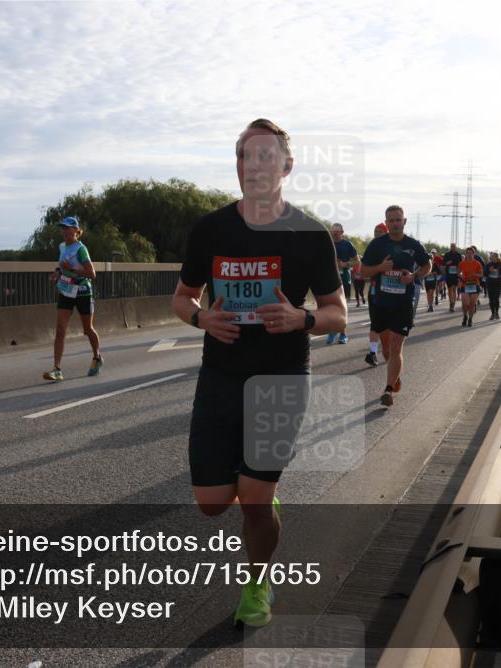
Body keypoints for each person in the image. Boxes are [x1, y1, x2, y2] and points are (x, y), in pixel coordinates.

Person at [172, 119, 347, 629]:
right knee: (210, 504)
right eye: (250, 155)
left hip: (282, 378)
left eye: (270, 156)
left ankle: (256, 584)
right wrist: (202, 317)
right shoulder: (210, 230)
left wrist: (303, 319)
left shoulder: (311, 235)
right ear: (239, 165)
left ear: (287, 167)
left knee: (253, 498)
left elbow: (337, 312)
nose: (259, 164)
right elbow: (183, 298)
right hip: (221, 375)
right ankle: (265, 502)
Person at [360, 205, 431, 407]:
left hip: (403, 302)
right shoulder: (377, 245)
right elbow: (363, 271)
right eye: (391, 221)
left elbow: (427, 266)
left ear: (404, 221)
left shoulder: (413, 245)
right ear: (386, 222)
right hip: (381, 302)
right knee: (386, 348)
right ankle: (395, 377)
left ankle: (388, 390)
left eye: (398, 220)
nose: (395, 224)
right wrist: (380, 268)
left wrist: (414, 277)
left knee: (396, 345)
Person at [43, 216, 102, 381]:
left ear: (76, 231)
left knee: (87, 329)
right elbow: (63, 265)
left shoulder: (81, 249)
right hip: (66, 291)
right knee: (60, 330)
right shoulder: (62, 247)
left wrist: (73, 270)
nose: (66, 232)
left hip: (82, 291)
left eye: (69, 228)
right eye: (63, 228)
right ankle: (57, 369)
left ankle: (97, 357)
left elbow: (92, 274)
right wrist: (58, 272)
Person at [327, 223, 359, 344]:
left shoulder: (347, 244)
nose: (334, 233)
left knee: (342, 305)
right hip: (329, 278)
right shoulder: (327, 244)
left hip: (344, 278)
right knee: (329, 305)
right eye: (332, 231)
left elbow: (357, 261)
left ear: (342, 232)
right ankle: (331, 331)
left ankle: (343, 334)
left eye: (337, 231)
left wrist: (345, 265)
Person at [364, 222, 389, 367]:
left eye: (380, 231)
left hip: (392, 291)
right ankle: (372, 353)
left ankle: (389, 350)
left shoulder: (392, 247)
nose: (377, 233)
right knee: (375, 323)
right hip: (375, 290)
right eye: (375, 231)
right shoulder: (371, 248)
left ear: (386, 233)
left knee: (389, 325)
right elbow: (364, 270)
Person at [458, 247, 483, 327]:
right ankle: (465, 316)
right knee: (465, 304)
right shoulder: (462, 263)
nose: (469, 255)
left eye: (470, 253)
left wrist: (474, 274)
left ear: (473, 254)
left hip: (474, 285)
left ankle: (470, 319)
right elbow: (459, 273)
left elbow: (481, 275)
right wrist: (461, 276)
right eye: (467, 253)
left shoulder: (477, 263)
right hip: (465, 284)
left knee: (472, 304)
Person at [442, 244, 463, 313]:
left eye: (454, 246)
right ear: (450, 247)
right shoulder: (447, 254)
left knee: (454, 289)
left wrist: (459, 272)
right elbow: (443, 264)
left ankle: (453, 305)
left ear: (455, 247)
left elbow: (461, 264)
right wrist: (447, 263)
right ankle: (451, 303)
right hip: (449, 274)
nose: (452, 247)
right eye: (451, 246)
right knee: (450, 289)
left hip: (456, 275)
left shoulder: (458, 255)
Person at [485, 252, 501, 320]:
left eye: (493, 256)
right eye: (491, 256)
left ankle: (497, 312)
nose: (491, 257)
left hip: (498, 284)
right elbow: (484, 273)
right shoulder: (488, 264)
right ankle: (493, 313)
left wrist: (498, 273)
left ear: (496, 257)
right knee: (491, 299)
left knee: (496, 298)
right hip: (490, 283)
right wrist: (489, 271)